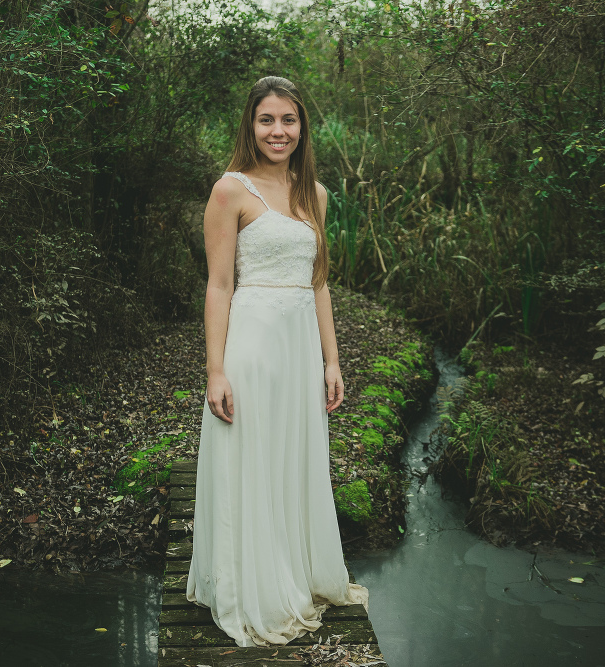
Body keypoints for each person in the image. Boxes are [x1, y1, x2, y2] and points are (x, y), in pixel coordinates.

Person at [185, 76, 369, 648]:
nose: (278, 131)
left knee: (293, 457)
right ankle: (254, 588)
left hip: (300, 348)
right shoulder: (229, 191)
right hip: (255, 343)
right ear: (250, 125)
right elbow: (218, 286)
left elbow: (319, 282)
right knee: (255, 457)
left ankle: (294, 568)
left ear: (301, 127)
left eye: (288, 120)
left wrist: (331, 360)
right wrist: (216, 371)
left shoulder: (313, 193)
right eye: (267, 120)